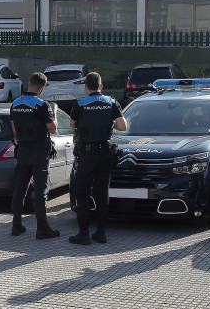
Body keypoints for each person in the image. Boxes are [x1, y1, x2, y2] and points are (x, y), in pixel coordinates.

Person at [69, 72, 126, 245]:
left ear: (86, 87)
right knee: (102, 193)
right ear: (102, 86)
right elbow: (123, 126)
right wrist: (110, 122)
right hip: (105, 152)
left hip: (87, 153)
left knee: (83, 194)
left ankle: (84, 233)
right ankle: (101, 233)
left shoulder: (80, 104)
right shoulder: (111, 102)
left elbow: (72, 124)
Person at [9, 72, 60, 240]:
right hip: (39, 150)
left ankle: (16, 225)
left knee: (20, 188)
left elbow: (15, 129)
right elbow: (52, 129)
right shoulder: (42, 105)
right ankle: (42, 228)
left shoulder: (15, 103)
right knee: (40, 190)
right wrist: (54, 111)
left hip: (22, 149)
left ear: (29, 83)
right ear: (42, 88)